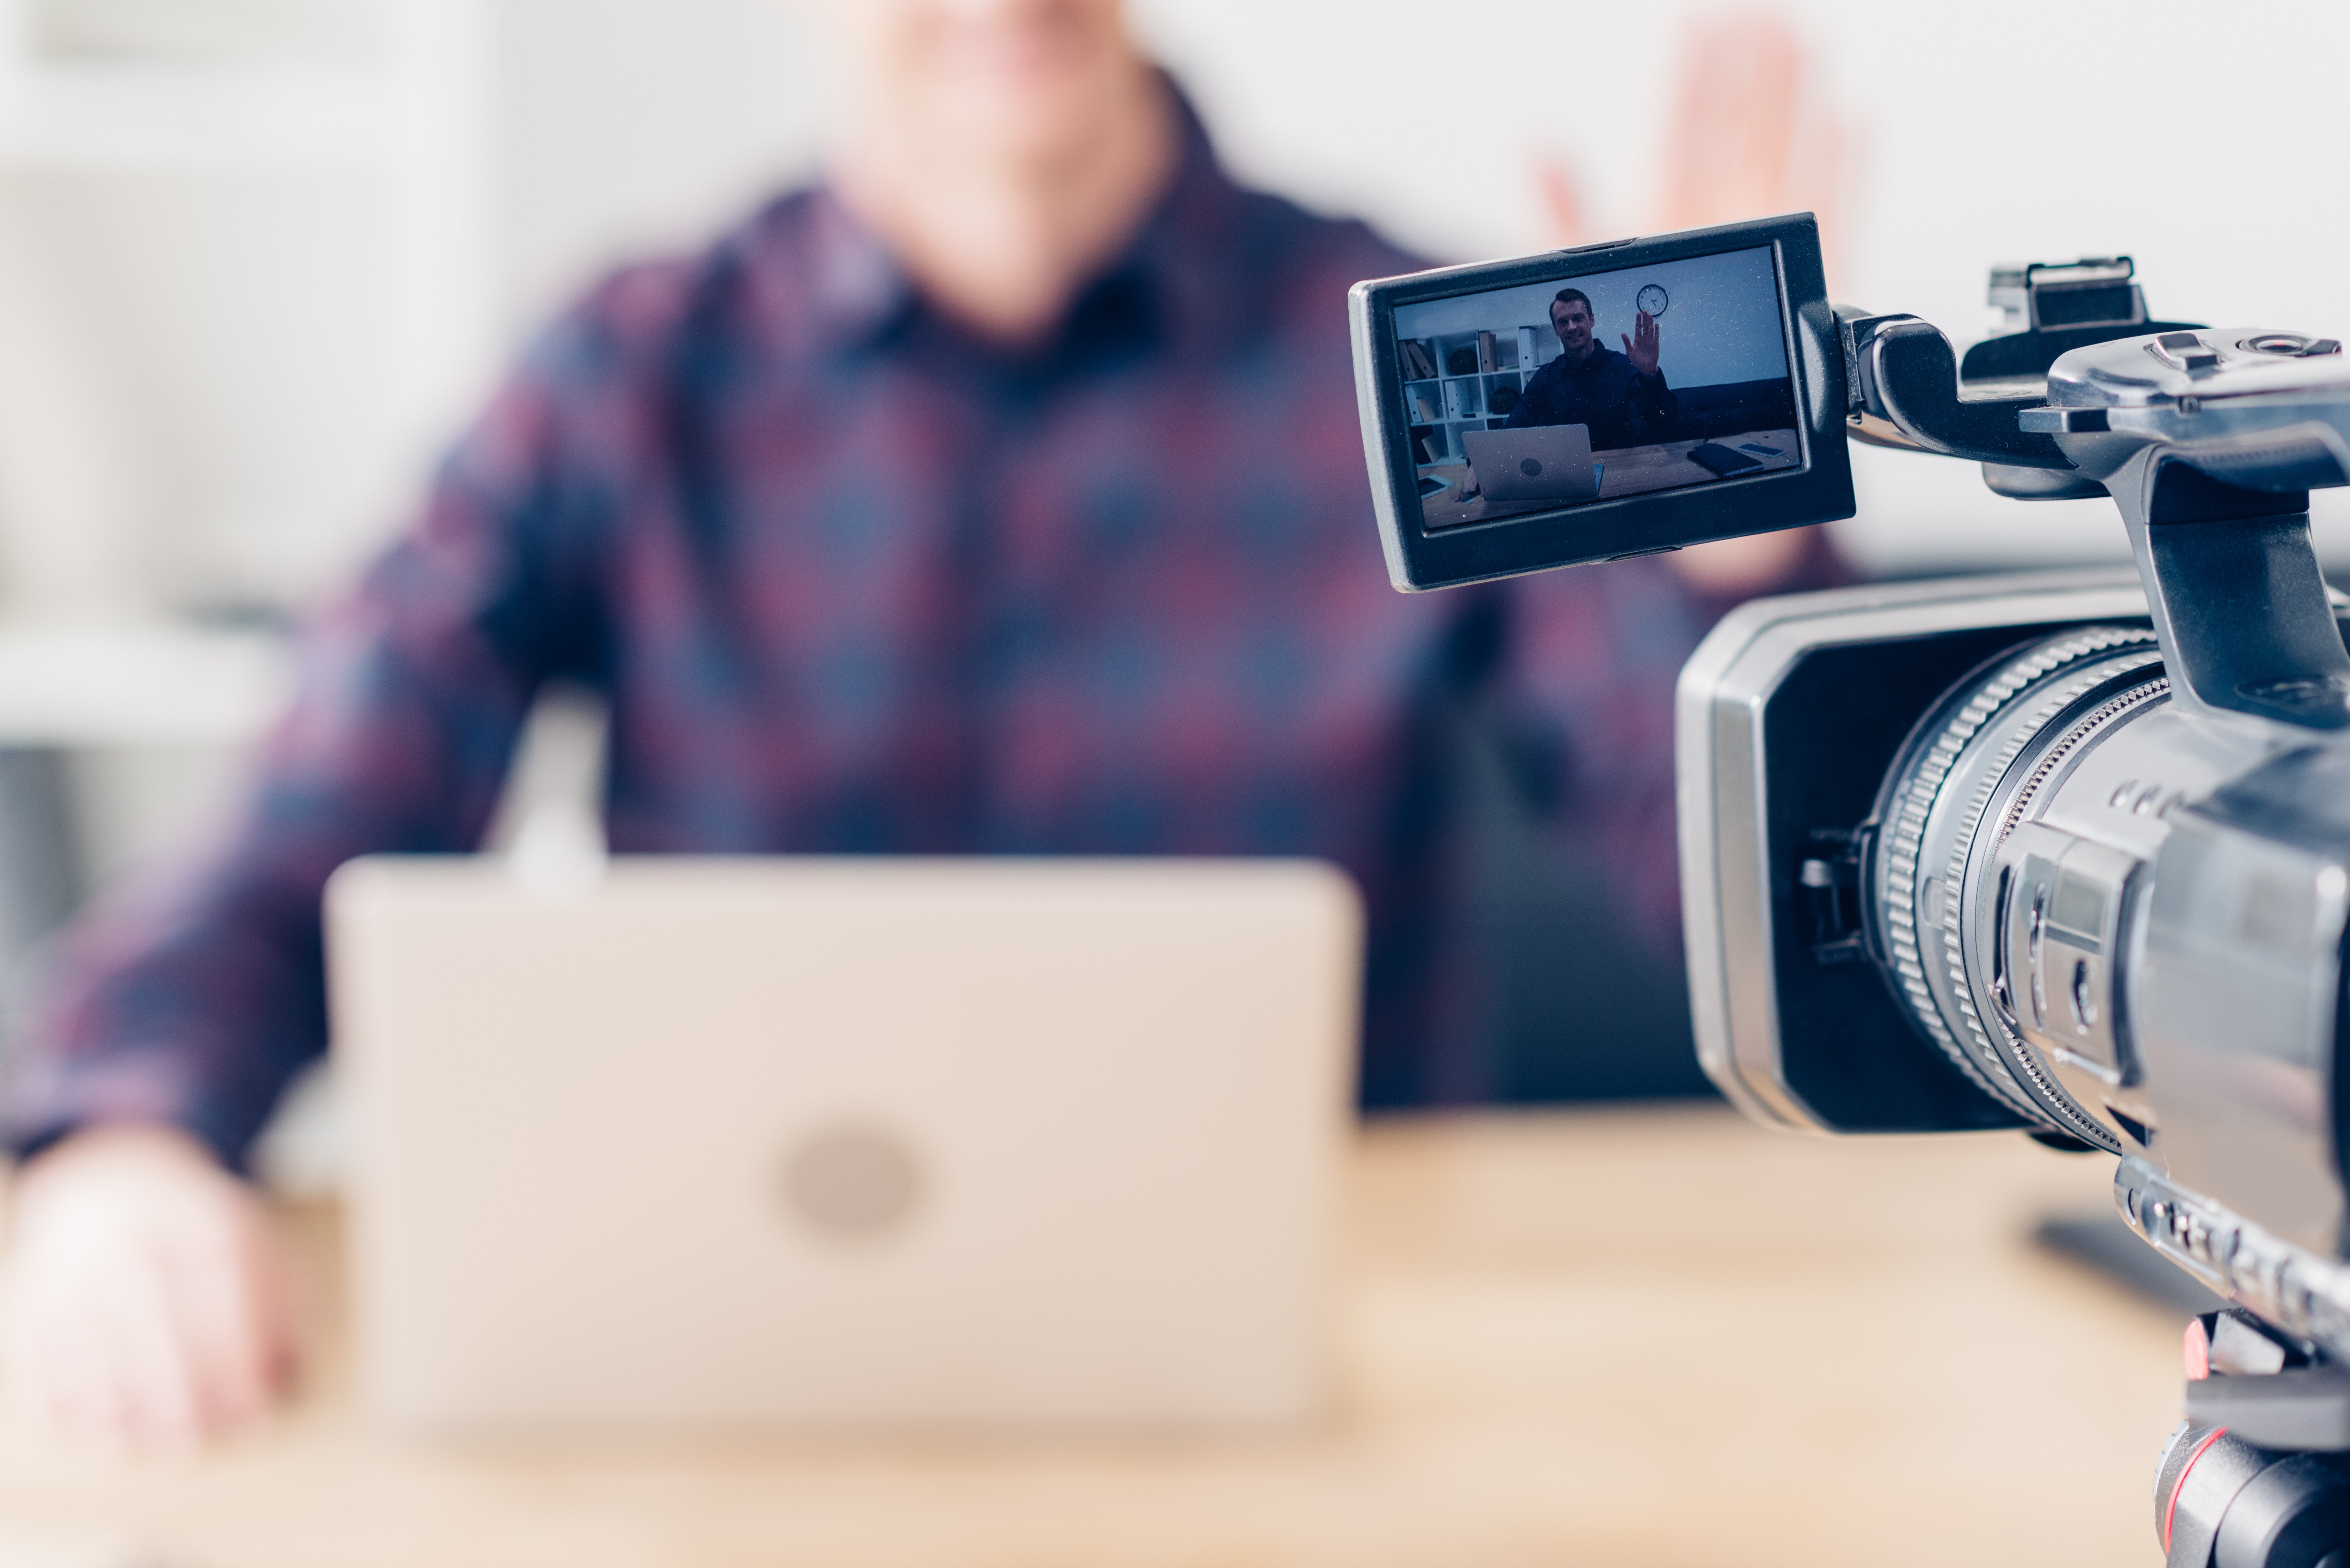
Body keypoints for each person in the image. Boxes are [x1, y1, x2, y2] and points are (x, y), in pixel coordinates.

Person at [0, 0, 1839, 1448]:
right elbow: (307, 817)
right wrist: (125, 1140)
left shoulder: (1417, 362)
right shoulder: (629, 367)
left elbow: (1738, 899)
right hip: (744, 1370)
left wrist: (1721, 548)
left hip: (1335, 1382)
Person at [1504, 289, 1677, 447]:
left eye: (1578, 318)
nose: (1572, 327)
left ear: (1592, 320)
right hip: (1569, 474)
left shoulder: (1622, 365)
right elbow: (1513, 429)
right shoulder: (1545, 377)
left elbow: (1664, 422)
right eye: (1563, 322)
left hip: (1620, 471)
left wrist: (1650, 374)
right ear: (1556, 330)